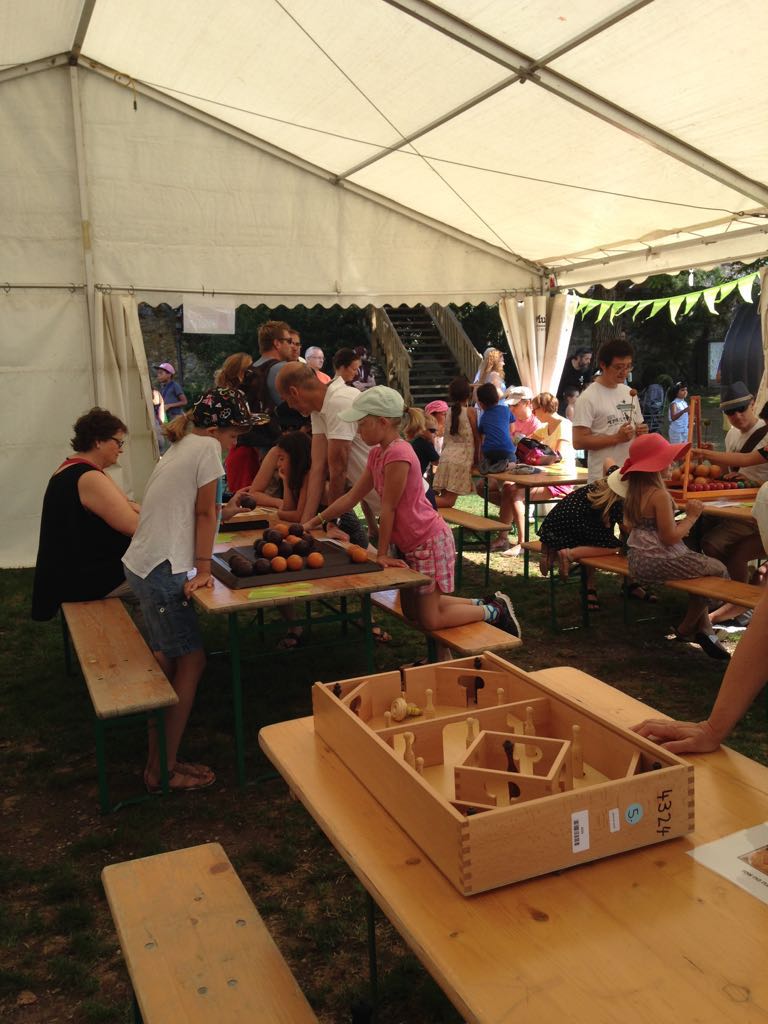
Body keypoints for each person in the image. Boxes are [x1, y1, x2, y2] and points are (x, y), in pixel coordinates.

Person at [302, 387, 521, 649]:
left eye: (362, 424)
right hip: (409, 544)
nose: (358, 431)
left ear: (383, 422)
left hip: (428, 541)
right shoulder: (377, 453)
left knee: (430, 619)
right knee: (412, 612)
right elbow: (351, 497)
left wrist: (382, 554)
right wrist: (315, 521)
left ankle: (494, 612)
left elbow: (389, 508)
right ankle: (485, 603)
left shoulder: (399, 454)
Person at [122, 388, 256, 793]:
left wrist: (222, 515)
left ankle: (159, 758)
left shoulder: (183, 445)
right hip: (161, 569)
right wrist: (203, 567)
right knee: (191, 662)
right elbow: (204, 511)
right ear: (215, 430)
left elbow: (201, 508)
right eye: (234, 435)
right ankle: (161, 771)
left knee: (168, 660)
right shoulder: (207, 448)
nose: (236, 443)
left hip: (145, 564)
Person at [622, 433, 730, 660]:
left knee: (699, 574)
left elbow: (629, 526)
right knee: (718, 569)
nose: (672, 463)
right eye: (666, 460)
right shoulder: (660, 495)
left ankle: (704, 628)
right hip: (661, 560)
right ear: (654, 466)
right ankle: (687, 626)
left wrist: (671, 524)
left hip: (637, 560)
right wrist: (691, 517)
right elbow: (670, 538)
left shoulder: (633, 492)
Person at [31, 408, 140, 621]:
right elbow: (134, 526)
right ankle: (158, 643)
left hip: (75, 572)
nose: (121, 450)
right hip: (83, 579)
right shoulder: (89, 477)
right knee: (160, 587)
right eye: (118, 442)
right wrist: (136, 510)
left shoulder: (74, 467)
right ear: (98, 441)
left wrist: (132, 508)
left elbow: (127, 506)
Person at [276, 361, 377, 547]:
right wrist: (303, 527)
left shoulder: (340, 401)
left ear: (294, 392)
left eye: (286, 399)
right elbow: (318, 468)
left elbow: (338, 469)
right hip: (381, 503)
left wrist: (332, 522)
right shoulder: (318, 410)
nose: (289, 406)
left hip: (403, 501)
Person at [491, 392, 576, 558]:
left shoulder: (564, 425)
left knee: (516, 493)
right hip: (546, 476)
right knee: (508, 487)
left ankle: (523, 544)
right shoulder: (545, 427)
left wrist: (533, 460)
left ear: (543, 408)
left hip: (560, 479)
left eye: (535, 409)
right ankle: (503, 537)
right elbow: (525, 443)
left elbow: (558, 456)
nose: (534, 413)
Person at [537, 462, 626, 608]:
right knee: (613, 546)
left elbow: (607, 461)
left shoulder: (606, 482)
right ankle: (570, 554)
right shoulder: (618, 501)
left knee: (597, 534)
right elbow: (627, 529)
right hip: (577, 526)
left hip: (555, 522)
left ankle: (546, 553)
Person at [573, 337, 648, 484]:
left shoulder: (629, 392)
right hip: (603, 480)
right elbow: (578, 441)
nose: (624, 372)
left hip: (630, 477)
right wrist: (617, 438)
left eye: (628, 366)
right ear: (603, 365)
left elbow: (639, 428)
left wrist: (642, 431)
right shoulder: (588, 397)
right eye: (618, 367)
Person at [433, 378, 480, 509]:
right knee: (448, 502)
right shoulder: (470, 412)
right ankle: (417, 503)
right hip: (461, 460)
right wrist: (477, 460)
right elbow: (477, 438)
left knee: (443, 499)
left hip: (446, 457)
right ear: (468, 395)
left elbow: (447, 438)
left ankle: (420, 505)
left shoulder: (448, 412)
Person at [215, 352, 258, 491]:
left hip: (239, 454)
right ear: (241, 373)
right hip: (245, 454)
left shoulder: (223, 394)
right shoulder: (239, 396)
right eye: (250, 369)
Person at [247, 430, 312, 523]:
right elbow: (288, 508)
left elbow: (298, 516)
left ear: (295, 458)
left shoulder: (307, 475)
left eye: (281, 459)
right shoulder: (291, 472)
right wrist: (285, 482)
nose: (278, 464)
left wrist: (277, 514)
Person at [405, 408, 440, 509]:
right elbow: (437, 461)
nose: (435, 434)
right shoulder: (425, 444)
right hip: (415, 481)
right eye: (432, 431)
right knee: (431, 505)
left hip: (409, 480)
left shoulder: (415, 442)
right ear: (421, 430)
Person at [557, 347, 592, 414]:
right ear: (578, 357)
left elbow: (587, 384)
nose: (589, 361)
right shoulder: (565, 365)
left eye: (590, 359)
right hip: (561, 398)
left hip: (577, 398)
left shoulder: (587, 369)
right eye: (586, 359)